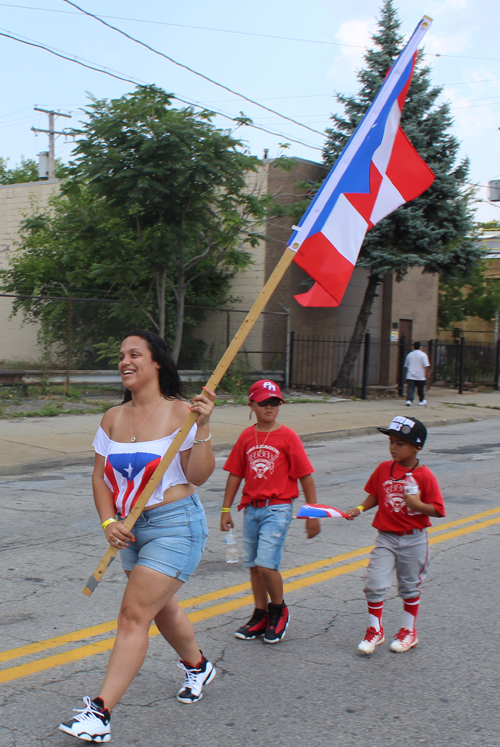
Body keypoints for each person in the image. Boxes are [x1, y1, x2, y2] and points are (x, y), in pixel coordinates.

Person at [59, 331, 217, 743]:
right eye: (121, 355)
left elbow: (198, 476)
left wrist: (202, 427)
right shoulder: (112, 417)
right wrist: (108, 523)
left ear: (156, 362)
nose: (124, 362)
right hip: (129, 531)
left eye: (134, 354)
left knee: (133, 616)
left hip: (176, 525)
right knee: (162, 610)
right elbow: (99, 477)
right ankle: (199, 666)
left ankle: (100, 713)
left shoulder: (182, 411)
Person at [220, 380, 320, 644]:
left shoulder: (288, 437)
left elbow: (305, 476)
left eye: (275, 402)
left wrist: (312, 513)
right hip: (251, 509)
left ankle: (278, 610)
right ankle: (260, 613)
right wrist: (225, 509)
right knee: (253, 566)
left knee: (266, 564)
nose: (270, 407)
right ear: (251, 404)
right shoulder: (245, 436)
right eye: (264, 402)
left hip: (278, 508)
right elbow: (235, 475)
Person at [346, 416, 445, 655]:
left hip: (414, 538)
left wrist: (418, 504)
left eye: (400, 443)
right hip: (386, 538)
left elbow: (438, 509)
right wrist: (359, 509)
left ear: (416, 447)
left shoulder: (424, 475)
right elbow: (375, 495)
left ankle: (409, 631)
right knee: (373, 583)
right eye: (391, 442)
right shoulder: (383, 469)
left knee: (409, 587)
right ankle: (375, 630)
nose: (393, 447)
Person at [404, 341, 431, 406]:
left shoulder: (409, 355)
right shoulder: (423, 355)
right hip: (420, 375)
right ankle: (421, 400)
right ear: (421, 347)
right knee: (421, 389)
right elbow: (426, 365)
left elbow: (406, 365)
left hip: (410, 375)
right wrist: (428, 372)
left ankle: (409, 400)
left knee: (410, 388)